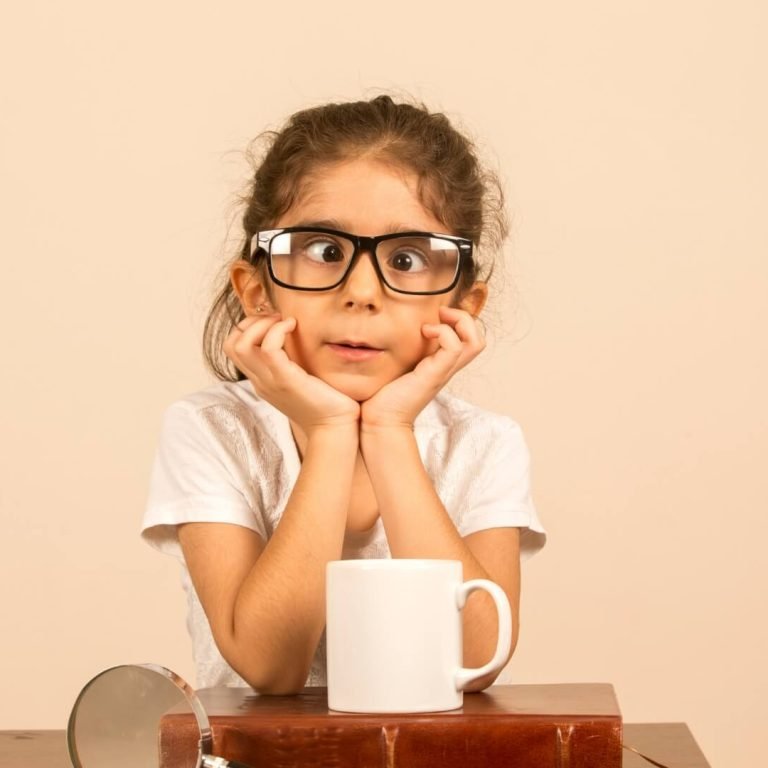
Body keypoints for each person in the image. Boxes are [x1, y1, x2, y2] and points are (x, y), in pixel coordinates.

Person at [142, 95, 545, 695]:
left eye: (407, 258)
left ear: (461, 307)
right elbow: (270, 668)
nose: (361, 292)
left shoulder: (484, 443)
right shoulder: (211, 428)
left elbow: (477, 661)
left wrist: (388, 432)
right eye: (324, 250)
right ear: (256, 292)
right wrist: (332, 433)